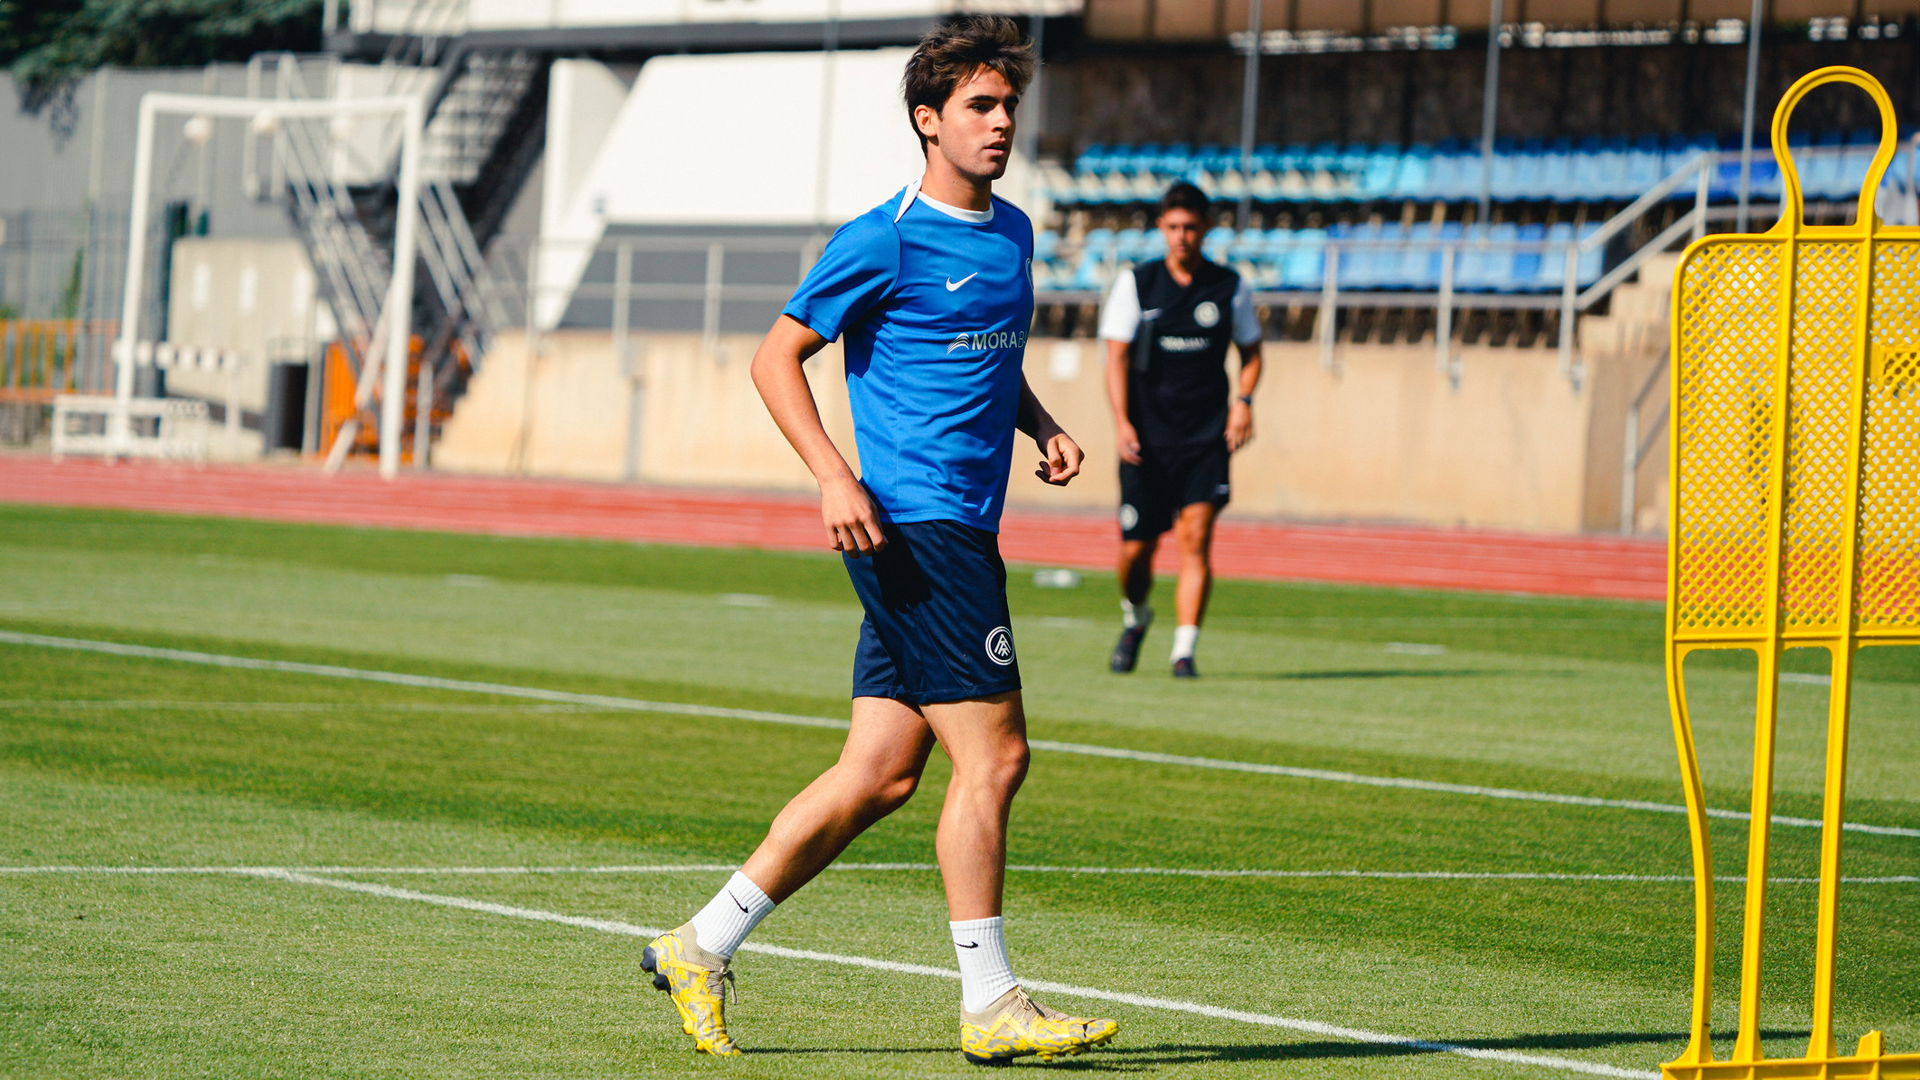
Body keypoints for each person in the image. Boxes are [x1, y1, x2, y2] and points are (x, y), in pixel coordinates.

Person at [638, 16, 1120, 1066]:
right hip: (914, 525)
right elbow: (777, 359)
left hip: (964, 529)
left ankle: (698, 942)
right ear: (927, 120)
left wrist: (1041, 425)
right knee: (996, 757)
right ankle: (991, 1001)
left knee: (882, 774)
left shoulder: (1015, 233)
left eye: (1008, 108)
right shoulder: (883, 237)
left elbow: (981, 357)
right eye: (980, 109)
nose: (1000, 125)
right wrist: (831, 474)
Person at [1099, 182, 1264, 679]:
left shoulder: (1229, 286)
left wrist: (1244, 403)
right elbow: (1114, 359)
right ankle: (1137, 616)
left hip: (1205, 438)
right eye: (1173, 227)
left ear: (1206, 228)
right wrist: (1123, 422)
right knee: (1136, 551)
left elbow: (1252, 352)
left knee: (1196, 538)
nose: (1182, 236)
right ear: (1161, 228)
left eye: (1191, 227)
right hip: (1146, 440)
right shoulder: (1138, 284)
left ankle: (1184, 651)